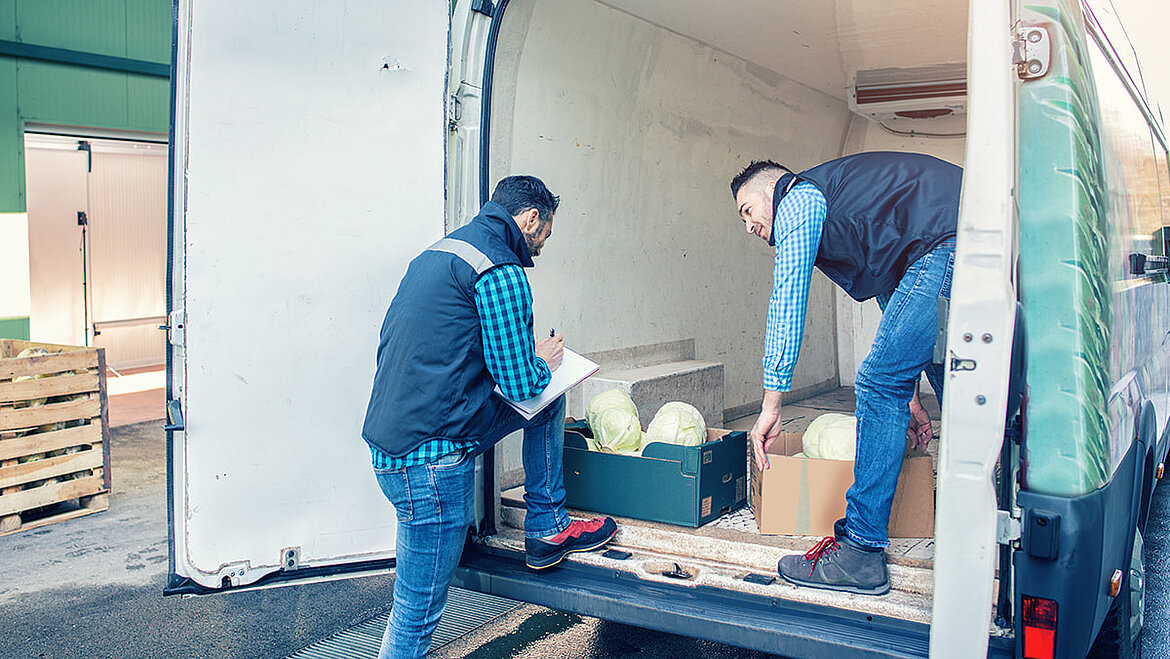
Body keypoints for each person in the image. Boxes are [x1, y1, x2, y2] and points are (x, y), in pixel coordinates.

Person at [361, 175, 617, 657]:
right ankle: (547, 526)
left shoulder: (441, 252)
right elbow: (521, 383)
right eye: (544, 234)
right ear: (530, 219)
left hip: (397, 444)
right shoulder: (500, 269)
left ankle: (547, 526)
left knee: (548, 399)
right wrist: (545, 358)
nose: (541, 247)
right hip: (431, 464)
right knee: (415, 616)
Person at [729, 151, 960, 595]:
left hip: (944, 240)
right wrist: (909, 394)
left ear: (772, 189)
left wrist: (771, 401)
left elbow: (788, 297)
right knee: (956, 376)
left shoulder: (797, 198)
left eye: (748, 212)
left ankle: (861, 552)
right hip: (960, 237)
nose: (750, 227)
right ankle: (986, 511)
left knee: (875, 383)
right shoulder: (857, 206)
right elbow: (895, 288)